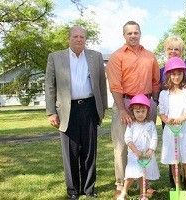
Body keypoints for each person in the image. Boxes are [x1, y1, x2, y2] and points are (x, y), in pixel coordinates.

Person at [45, 26, 107, 200]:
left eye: (82, 36)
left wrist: (102, 109)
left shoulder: (96, 56)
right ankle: (73, 191)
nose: (79, 39)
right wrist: (51, 112)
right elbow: (50, 86)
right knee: (70, 152)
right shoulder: (55, 57)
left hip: (89, 108)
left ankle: (89, 189)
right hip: (67, 111)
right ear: (69, 38)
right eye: (75, 36)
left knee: (89, 152)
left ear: (85, 39)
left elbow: (102, 83)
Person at [106, 21, 160, 199]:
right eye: (129, 33)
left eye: (136, 32)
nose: (133, 35)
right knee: (122, 145)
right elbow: (115, 86)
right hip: (125, 103)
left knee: (145, 143)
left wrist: (154, 103)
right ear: (124, 35)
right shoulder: (116, 56)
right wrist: (122, 110)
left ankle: (144, 183)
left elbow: (155, 82)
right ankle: (121, 184)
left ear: (140, 33)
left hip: (146, 104)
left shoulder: (150, 56)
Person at [159, 57, 186, 200]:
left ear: (183, 74)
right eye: (173, 74)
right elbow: (162, 113)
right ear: (168, 75)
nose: (176, 77)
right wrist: (168, 120)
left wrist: (181, 119)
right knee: (174, 162)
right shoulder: (164, 94)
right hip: (171, 131)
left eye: (179, 73)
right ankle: (178, 189)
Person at [117, 94, 160, 200]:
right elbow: (128, 139)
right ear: (133, 112)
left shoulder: (150, 124)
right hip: (134, 155)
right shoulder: (131, 125)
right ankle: (123, 192)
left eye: (143, 111)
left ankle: (143, 194)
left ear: (147, 112)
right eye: (137, 112)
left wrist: (151, 150)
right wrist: (136, 152)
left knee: (143, 175)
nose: (140, 114)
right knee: (131, 175)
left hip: (146, 154)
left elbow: (154, 138)